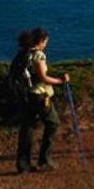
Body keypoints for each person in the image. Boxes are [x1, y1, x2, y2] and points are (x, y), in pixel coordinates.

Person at [13, 27, 70, 174]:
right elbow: (43, 78)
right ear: (41, 41)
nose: (46, 45)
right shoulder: (39, 55)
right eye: (45, 42)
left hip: (25, 96)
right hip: (39, 96)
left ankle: (23, 165)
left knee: (28, 129)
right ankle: (44, 160)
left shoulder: (23, 53)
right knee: (53, 122)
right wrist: (60, 81)